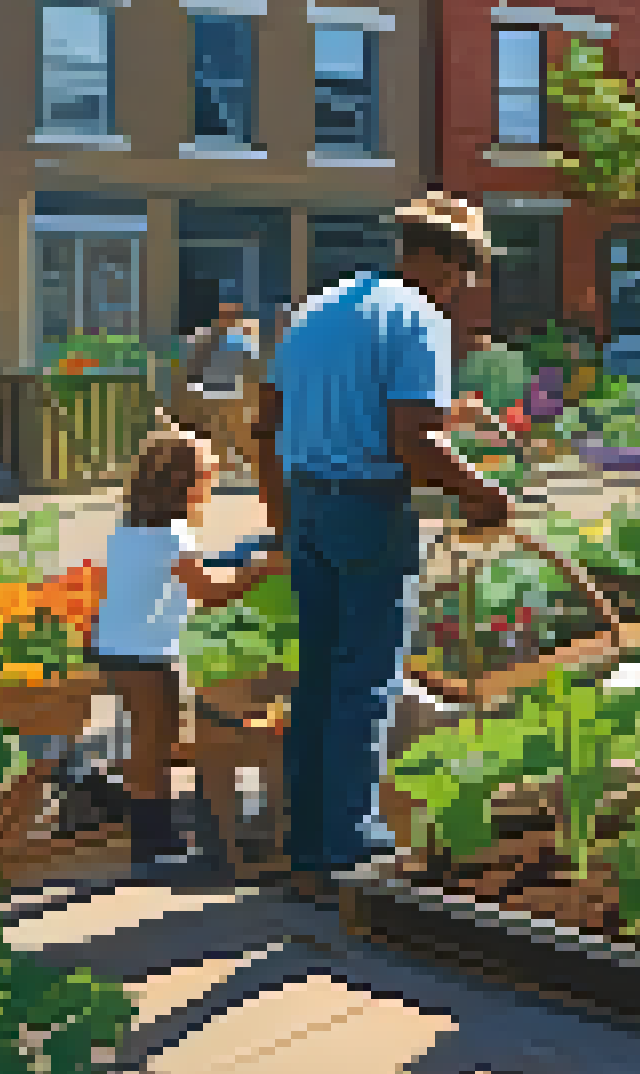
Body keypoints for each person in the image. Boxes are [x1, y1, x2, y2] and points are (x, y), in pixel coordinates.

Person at [252, 192, 509, 897]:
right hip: (369, 509)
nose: (460, 287)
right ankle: (349, 850)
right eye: (463, 273)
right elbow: (413, 442)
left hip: (308, 505)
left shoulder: (317, 310)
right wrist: (483, 494)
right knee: (367, 682)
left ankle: (307, 844)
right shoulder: (418, 318)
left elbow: (264, 425)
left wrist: (283, 516)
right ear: (449, 262)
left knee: (319, 681)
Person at [93, 430, 288, 876]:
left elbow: (192, 578)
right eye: (208, 475)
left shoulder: (131, 531)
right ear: (183, 485)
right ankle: (153, 839)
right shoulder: (172, 537)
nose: (214, 485)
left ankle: (150, 826)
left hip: (121, 648)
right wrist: (261, 567)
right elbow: (209, 592)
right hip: (145, 653)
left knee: (149, 739)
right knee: (152, 744)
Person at [159, 301, 269, 487]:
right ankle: (225, 471)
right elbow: (191, 367)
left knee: (230, 433)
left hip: (225, 393)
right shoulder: (212, 337)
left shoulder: (238, 339)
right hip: (217, 393)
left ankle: (233, 470)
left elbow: (252, 369)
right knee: (227, 433)